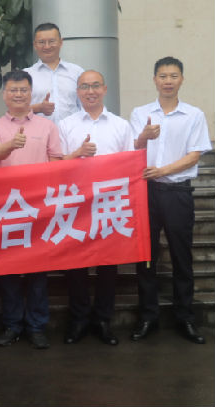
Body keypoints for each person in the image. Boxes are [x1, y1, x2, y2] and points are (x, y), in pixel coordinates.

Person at [129, 57, 211, 345]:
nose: (167, 81)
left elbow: (194, 155)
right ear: (154, 80)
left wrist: (162, 171)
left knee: (181, 256)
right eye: (162, 76)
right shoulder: (140, 113)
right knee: (146, 257)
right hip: (146, 193)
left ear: (181, 80)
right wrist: (143, 136)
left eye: (173, 75)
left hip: (177, 193)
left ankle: (185, 317)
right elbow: (132, 149)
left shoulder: (193, 115)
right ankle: (148, 316)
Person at [0, 70, 63, 350]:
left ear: (31, 94)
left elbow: (57, 163)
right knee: (9, 271)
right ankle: (12, 325)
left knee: (38, 271)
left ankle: (37, 326)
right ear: (4, 95)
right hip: (7, 208)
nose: (18, 95)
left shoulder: (47, 126)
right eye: (13, 90)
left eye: (23, 90)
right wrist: (11, 145)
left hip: (39, 207)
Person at [58, 70, 133, 346]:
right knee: (76, 264)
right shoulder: (65, 125)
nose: (90, 91)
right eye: (84, 87)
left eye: (95, 86)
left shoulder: (121, 125)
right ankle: (78, 319)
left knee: (108, 264)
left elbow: (129, 165)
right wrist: (77, 154)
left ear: (104, 89)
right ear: (78, 92)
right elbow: (57, 165)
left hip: (109, 203)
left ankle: (103, 319)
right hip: (76, 202)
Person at [25, 22, 83, 124]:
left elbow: (86, 106)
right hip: (39, 133)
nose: (47, 46)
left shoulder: (77, 72)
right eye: (41, 42)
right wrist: (38, 108)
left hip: (72, 132)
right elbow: (16, 112)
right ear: (35, 45)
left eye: (51, 41)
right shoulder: (26, 75)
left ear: (61, 42)